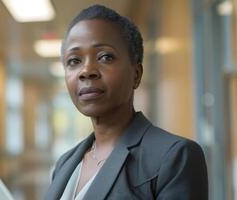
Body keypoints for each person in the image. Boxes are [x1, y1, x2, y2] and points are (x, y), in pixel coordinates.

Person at [44, 4, 208, 200]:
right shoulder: (65, 163)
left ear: (136, 75)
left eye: (105, 57)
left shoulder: (174, 157)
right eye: (74, 61)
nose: (86, 70)